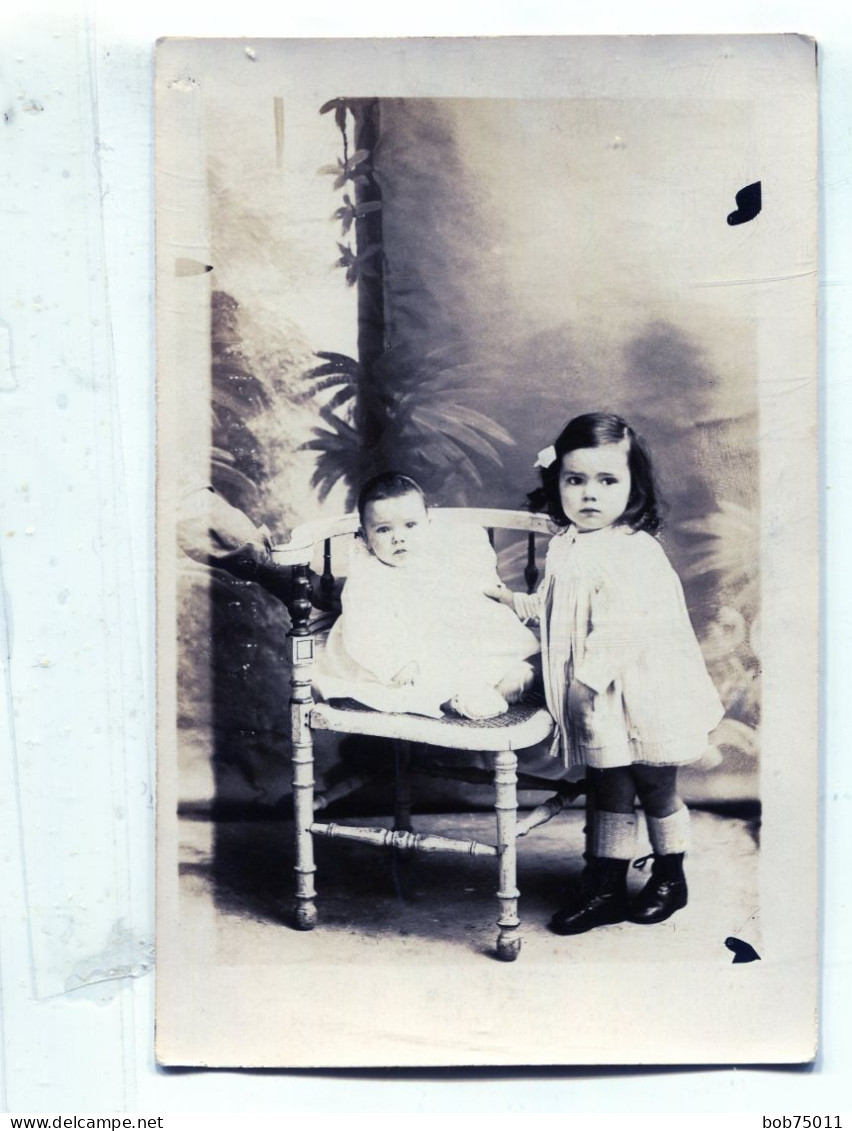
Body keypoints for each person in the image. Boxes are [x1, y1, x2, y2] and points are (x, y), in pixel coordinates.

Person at [492, 413, 724, 933]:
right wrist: (512, 601)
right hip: (598, 698)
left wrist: (586, 681)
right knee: (609, 787)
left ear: (633, 486)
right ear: (557, 484)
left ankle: (670, 878)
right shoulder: (566, 545)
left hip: (642, 688)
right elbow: (557, 611)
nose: (589, 495)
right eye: (575, 481)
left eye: (607, 481)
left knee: (655, 785)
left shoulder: (633, 552)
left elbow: (626, 628)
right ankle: (605, 888)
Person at [314, 472, 540, 720]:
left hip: (437, 641)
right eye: (383, 529)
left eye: (410, 525)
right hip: (390, 653)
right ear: (365, 536)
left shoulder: (434, 558)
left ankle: (496, 681)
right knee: (418, 681)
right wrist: (394, 664)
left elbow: (464, 594)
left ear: (428, 525)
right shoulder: (368, 577)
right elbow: (362, 631)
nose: (398, 537)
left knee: (470, 649)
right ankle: (455, 701)